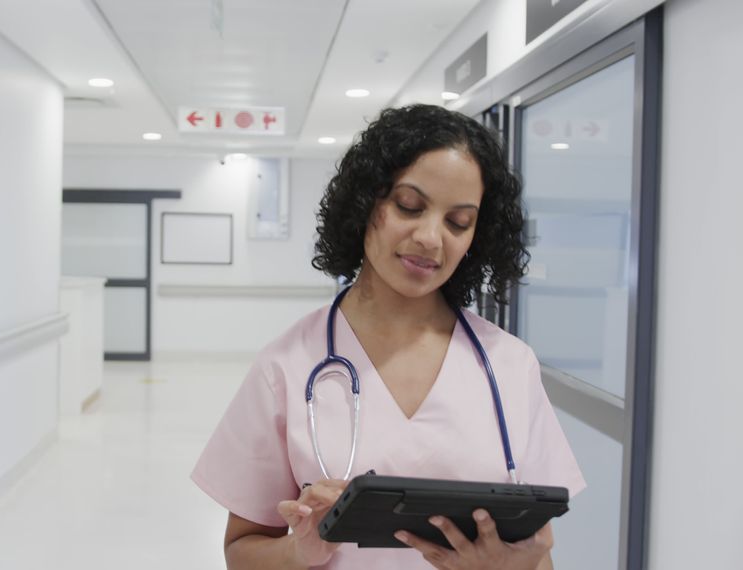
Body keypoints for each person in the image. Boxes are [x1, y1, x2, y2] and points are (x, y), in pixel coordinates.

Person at [191, 104, 585, 569]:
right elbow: (242, 553)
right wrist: (300, 550)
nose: (430, 238)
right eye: (409, 206)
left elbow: (539, 555)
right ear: (367, 202)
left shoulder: (508, 365)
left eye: (458, 222)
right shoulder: (288, 364)